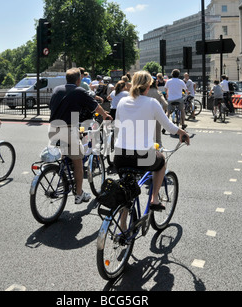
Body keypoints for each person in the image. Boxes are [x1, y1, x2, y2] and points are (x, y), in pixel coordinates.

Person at [114, 71, 189, 212]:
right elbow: (169, 126)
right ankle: (154, 198)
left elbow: (117, 127)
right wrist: (182, 132)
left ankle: (123, 226)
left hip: (120, 155)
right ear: (148, 86)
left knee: (126, 191)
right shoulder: (152, 103)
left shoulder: (122, 101)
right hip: (143, 156)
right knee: (161, 162)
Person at [49, 68, 112, 204]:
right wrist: (105, 115)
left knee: (65, 154)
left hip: (54, 128)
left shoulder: (57, 89)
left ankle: (64, 176)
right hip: (69, 128)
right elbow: (95, 107)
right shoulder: (79, 91)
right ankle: (79, 194)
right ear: (79, 80)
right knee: (78, 161)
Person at [147, 78, 168, 147]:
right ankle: (160, 155)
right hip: (156, 117)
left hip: (145, 117)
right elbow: (165, 104)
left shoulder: (144, 92)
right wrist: (161, 112)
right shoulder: (158, 92)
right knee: (158, 139)